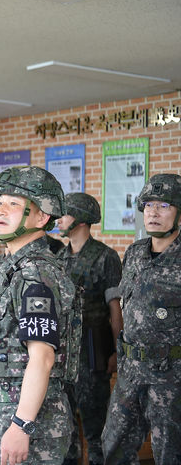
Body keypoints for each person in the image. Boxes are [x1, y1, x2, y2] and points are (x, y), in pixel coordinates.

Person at [0, 166, 76, 464]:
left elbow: (43, 357)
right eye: (0, 203)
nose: (1, 210)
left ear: (42, 217)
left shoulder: (35, 273)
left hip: (31, 426)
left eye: (15, 204)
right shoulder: (10, 269)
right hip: (4, 415)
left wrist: (21, 425)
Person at [102, 173, 181, 464]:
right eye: (148, 205)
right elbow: (125, 306)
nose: (153, 213)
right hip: (130, 372)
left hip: (170, 379)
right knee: (113, 446)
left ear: (178, 212)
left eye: (164, 206)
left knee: (169, 453)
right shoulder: (135, 253)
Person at [56, 193, 122, 465]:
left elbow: (115, 309)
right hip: (63, 353)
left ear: (81, 220)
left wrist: (119, 351)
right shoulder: (59, 256)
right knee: (65, 428)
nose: (58, 219)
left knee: (95, 429)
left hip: (93, 350)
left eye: (65, 214)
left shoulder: (105, 257)